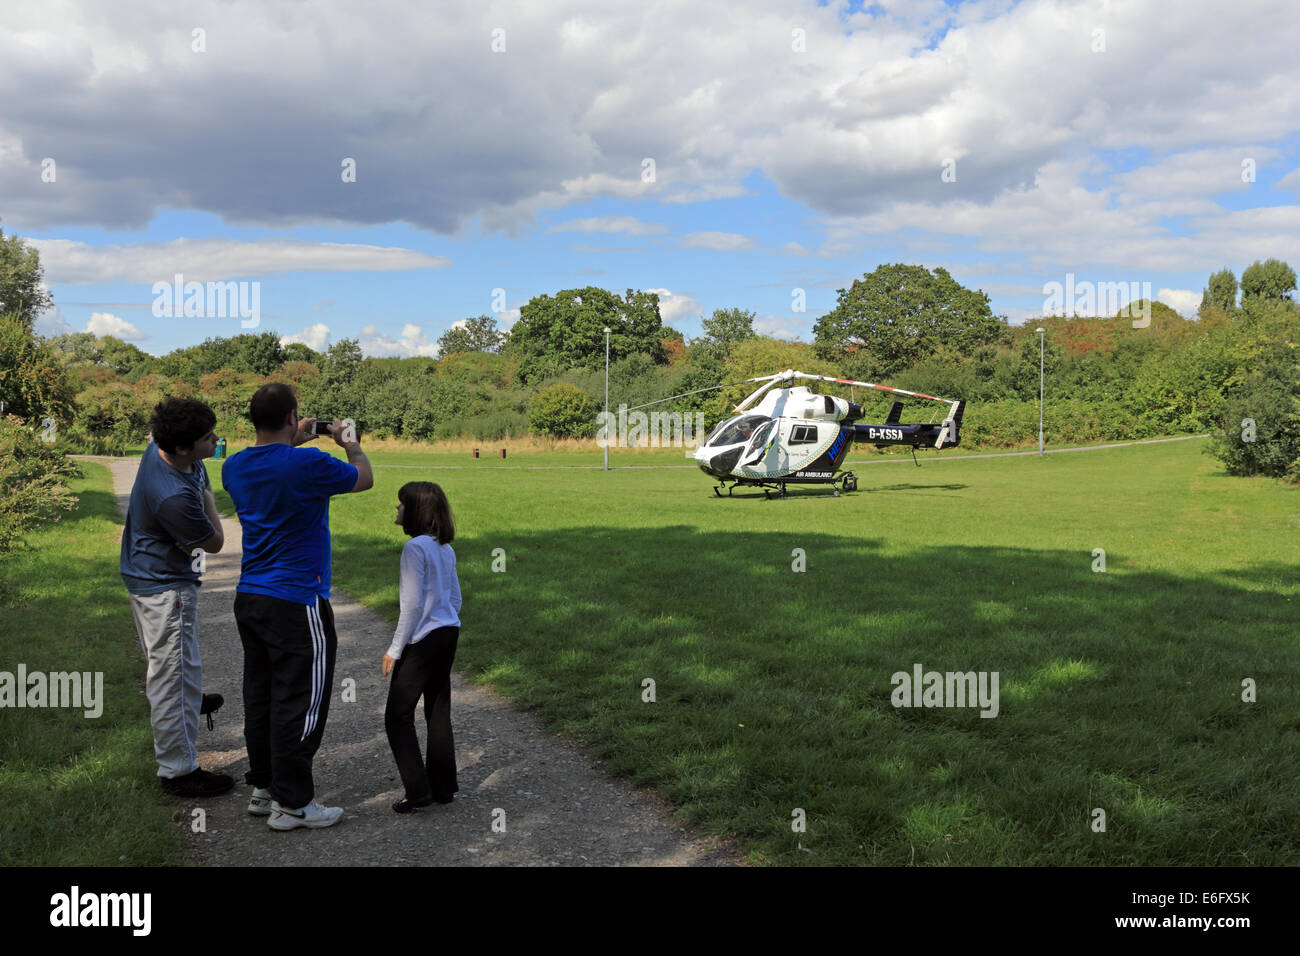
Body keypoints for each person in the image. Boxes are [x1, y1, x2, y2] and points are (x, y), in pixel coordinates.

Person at [221, 384, 373, 830]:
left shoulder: (234, 466)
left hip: (251, 596)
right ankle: (294, 803)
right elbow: (363, 478)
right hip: (297, 598)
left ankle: (265, 787)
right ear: (292, 415)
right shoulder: (309, 463)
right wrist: (350, 443)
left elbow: (273, 461)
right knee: (301, 701)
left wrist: (296, 435)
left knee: (262, 695)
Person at [121, 398, 231, 797]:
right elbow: (216, 541)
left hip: (148, 574)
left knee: (172, 667)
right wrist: (208, 497)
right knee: (171, 677)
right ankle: (179, 772)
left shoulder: (162, 446)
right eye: (207, 438)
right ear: (183, 448)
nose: (216, 440)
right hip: (165, 586)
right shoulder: (172, 495)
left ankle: (187, 700)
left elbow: (196, 542)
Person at [382, 481, 462, 813]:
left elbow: (412, 606)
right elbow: (455, 597)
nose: (397, 508)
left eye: (401, 504)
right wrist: (445, 618)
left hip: (424, 638)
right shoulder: (445, 548)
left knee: (397, 716)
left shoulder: (415, 548)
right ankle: (443, 787)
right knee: (437, 708)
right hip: (448, 632)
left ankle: (417, 790)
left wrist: (395, 649)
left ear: (417, 511)